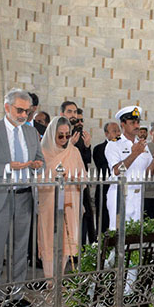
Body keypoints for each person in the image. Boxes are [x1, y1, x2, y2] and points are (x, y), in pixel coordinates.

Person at [0, 89, 44, 307]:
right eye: (19, 110)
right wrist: (6, 167)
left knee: (20, 249)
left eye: (27, 111)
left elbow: (41, 159)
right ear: (6, 108)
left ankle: (16, 293)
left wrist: (38, 165)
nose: (23, 115)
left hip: (24, 197)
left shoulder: (31, 133)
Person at [38, 116, 84, 277]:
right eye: (60, 135)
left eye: (67, 135)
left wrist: (75, 179)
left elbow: (83, 177)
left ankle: (60, 276)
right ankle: (50, 279)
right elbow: (38, 179)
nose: (64, 139)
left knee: (67, 240)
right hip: (49, 201)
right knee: (49, 239)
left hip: (71, 201)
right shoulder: (42, 152)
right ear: (52, 134)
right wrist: (56, 178)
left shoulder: (74, 151)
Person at [105, 106, 154, 230]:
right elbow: (116, 171)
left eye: (138, 122)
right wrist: (134, 153)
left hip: (138, 195)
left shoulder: (142, 144)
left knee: (134, 235)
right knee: (118, 234)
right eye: (132, 123)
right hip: (120, 195)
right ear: (123, 124)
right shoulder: (114, 144)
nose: (136, 126)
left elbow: (148, 174)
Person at [61, 101, 95, 244]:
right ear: (62, 113)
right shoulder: (58, 132)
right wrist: (70, 145)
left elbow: (86, 160)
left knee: (86, 214)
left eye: (75, 112)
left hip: (80, 181)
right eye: (70, 112)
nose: (73, 115)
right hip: (64, 181)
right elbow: (55, 156)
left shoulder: (78, 133)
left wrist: (87, 146)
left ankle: (84, 248)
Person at [93, 121, 119, 233]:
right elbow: (105, 167)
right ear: (106, 134)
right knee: (104, 220)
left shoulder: (124, 147)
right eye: (114, 131)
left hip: (119, 188)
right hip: (105, 188)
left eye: (119, 131)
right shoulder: (99, 148)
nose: (118, 133)